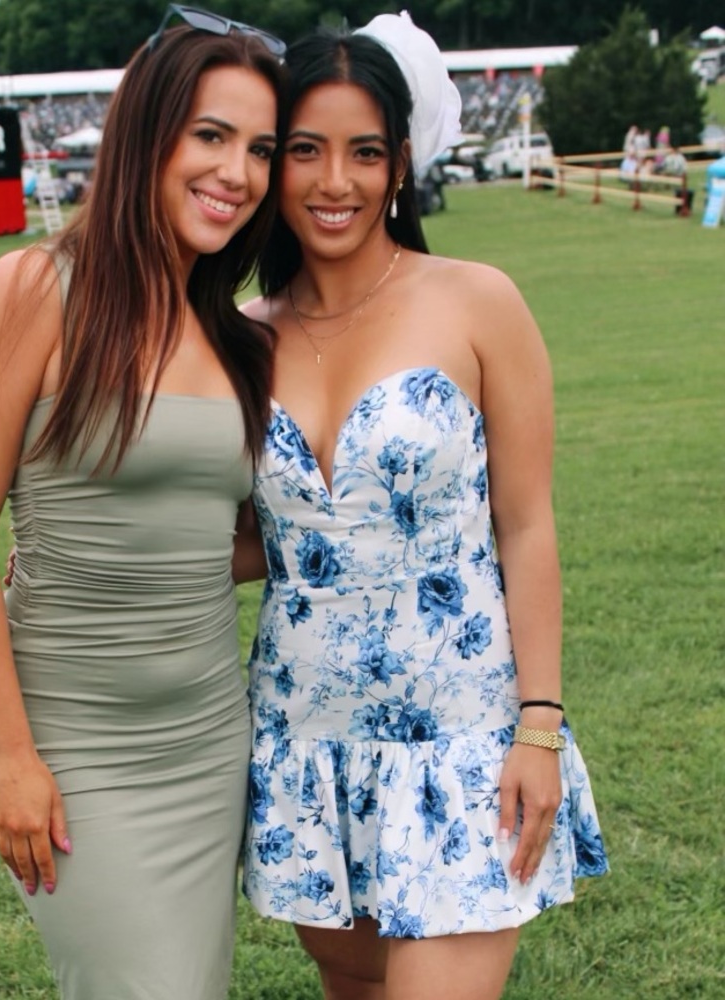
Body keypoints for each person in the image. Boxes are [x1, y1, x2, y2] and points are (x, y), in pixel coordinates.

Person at [236, 14, 608, 1000]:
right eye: (306, 150)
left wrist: (537, 726)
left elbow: (526, 524)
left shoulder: (476, 302)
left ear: (399, 163)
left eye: (363, 152)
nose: (335, 182)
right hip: (305, 740)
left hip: (461, 741)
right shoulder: (238, 338)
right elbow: (244, 537)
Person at [0, 8, 285, 999]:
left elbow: (237, 538)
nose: (237, 173)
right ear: (146, 135)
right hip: (79, 750)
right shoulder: (34, 288)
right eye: (210, 136)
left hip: (213, 740)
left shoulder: (239, 337)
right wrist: (7, 754)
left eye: (258, 148)